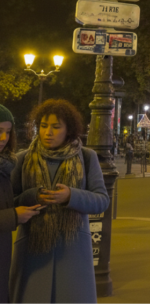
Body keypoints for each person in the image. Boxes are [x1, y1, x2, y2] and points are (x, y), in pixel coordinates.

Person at [10, 99, 110, 303]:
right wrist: (33, 196)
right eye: (44, 126)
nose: (48, 132)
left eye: (56, 127)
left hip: (73, 251)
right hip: (32, 250)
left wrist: (71, 196)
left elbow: (101, 200)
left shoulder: (87, 157)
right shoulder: (22, 158)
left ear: (69, 130)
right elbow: (10, 202)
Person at [0, 106, 42, 303]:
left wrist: (31, 197)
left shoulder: (5, 164)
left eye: (8, 132)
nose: (3, 138)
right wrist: (15, 216)